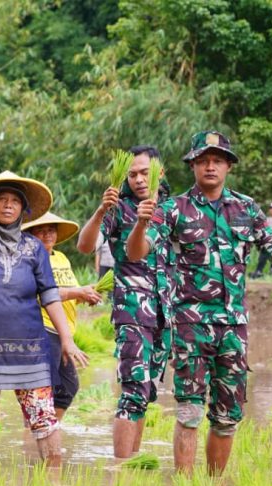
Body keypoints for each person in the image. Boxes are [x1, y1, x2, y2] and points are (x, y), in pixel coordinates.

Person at [126, 131, 272, 475]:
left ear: (228, 166)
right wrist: (141, 223)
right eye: (203, 160)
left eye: (217, 160)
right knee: (189, 412)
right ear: (192, 165)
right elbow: (137, 252)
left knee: (227, 417)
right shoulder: (173, 209)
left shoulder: (247, 208)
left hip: (233, 328)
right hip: (190, 327)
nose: (210, 166)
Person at [0, 171, 88, 466]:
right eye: (2, 199)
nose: (8, 205)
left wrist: (67, 339)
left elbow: (50, 295)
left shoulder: (34, 248)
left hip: (29, 349)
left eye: (15, 200)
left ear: (23, 209)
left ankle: (53, 483)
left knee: (44, 417)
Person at [77, 145, 175, 459]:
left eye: (144, 172)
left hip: (165, 315)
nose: (138, 179)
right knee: (133, 391)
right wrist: (100, 211)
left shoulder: (173, 208)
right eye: (132, 175)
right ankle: (120, 469)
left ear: (160, 171)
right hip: (132, 311)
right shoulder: (118, 209)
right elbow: (85, 246)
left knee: (147, 393)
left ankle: (132, 464)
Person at [23, 212, 102, 421]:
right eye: (41, 230)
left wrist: (85, 295)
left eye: (51, 230)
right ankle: (36, 431)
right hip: (42, 328)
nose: (47, 234)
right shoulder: (29, 259)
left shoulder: (61, 258)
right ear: (30, 234)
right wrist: (77, 292)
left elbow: (68, 292)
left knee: (67, 388)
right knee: (41, 391)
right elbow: (40, 293)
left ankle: (49, 428)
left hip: (63, 330)